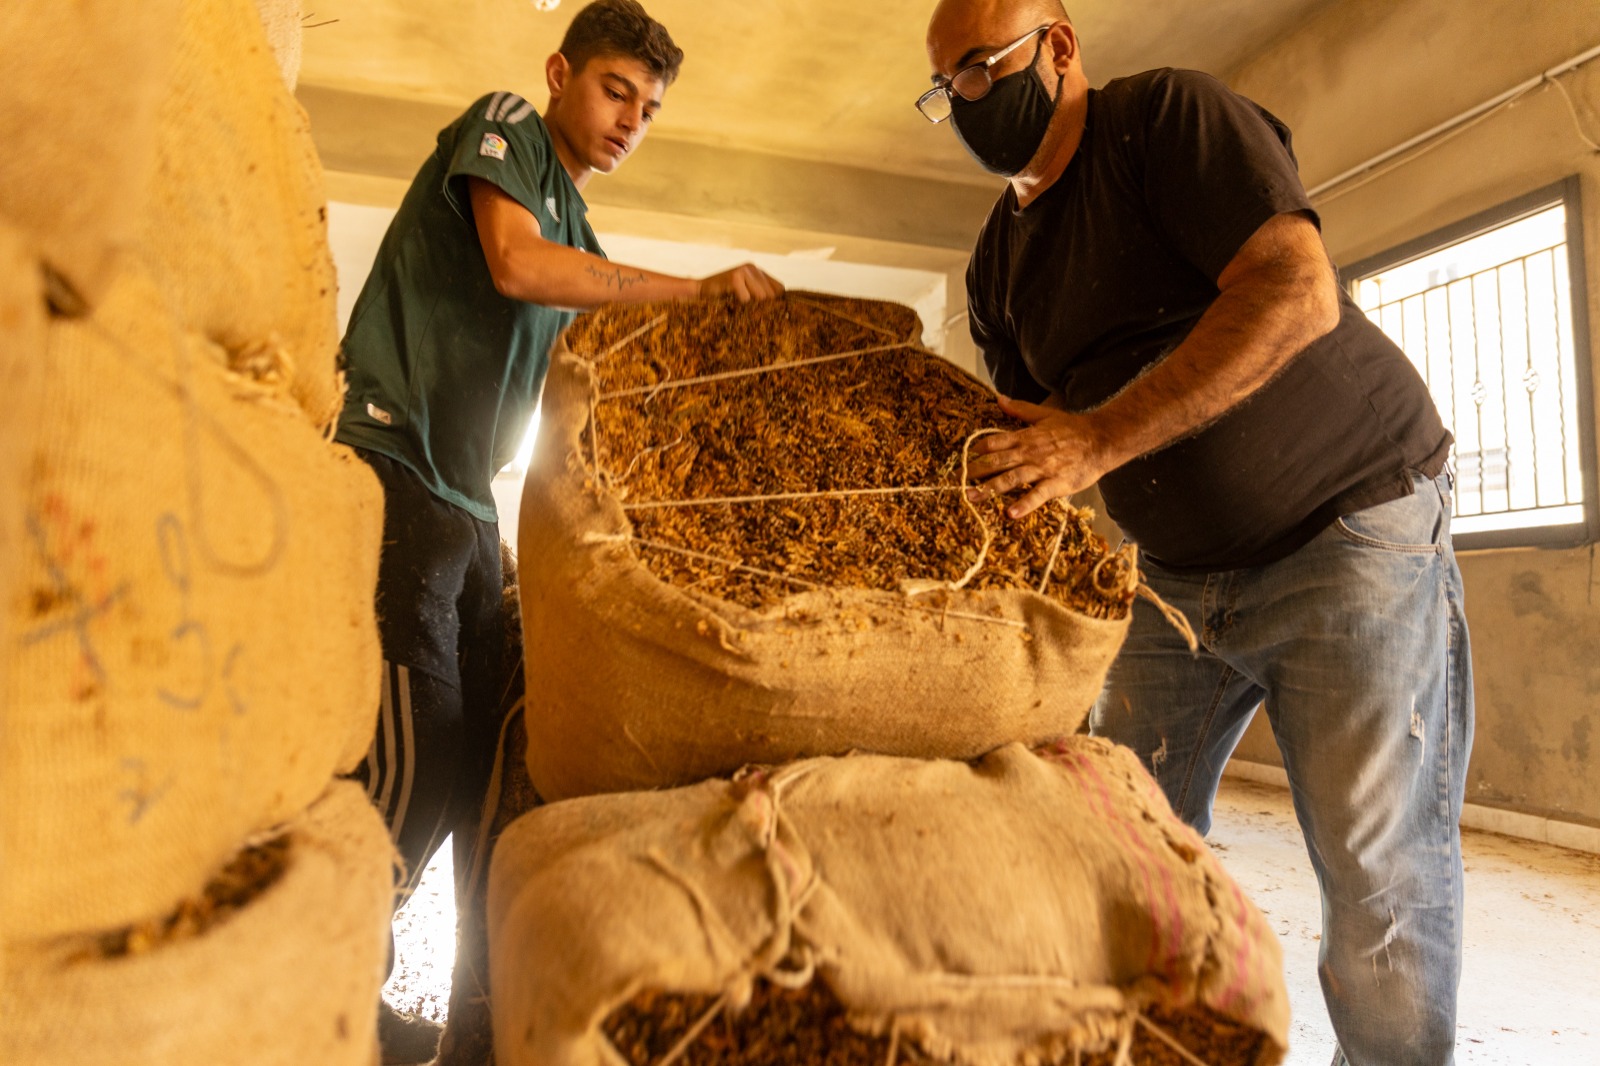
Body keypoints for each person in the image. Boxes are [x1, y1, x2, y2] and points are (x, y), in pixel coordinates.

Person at [922, 2, 1473, 1064]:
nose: (966, 105)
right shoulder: (998, 261)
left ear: (1060, 48)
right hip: (1175, 583)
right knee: (1115, 833)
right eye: (947, 89)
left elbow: (1294, 291)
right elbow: (1040, 444)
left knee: (1376, 878)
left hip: (1348, 529)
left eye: (983, 73)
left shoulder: (1163, 120)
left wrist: (1098, 437)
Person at [334, 2, 784, 1060]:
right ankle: (322, 995)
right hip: (394, 469)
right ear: (560, 73)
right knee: (416, 750)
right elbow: (515, 266)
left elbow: (597, 378)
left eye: (651, 107)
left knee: (488, 765)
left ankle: (447, 1016)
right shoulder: (506, 135)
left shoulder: (587, 239)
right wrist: (695, 292)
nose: (632, 119)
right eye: (616, 90)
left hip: (468, 504)